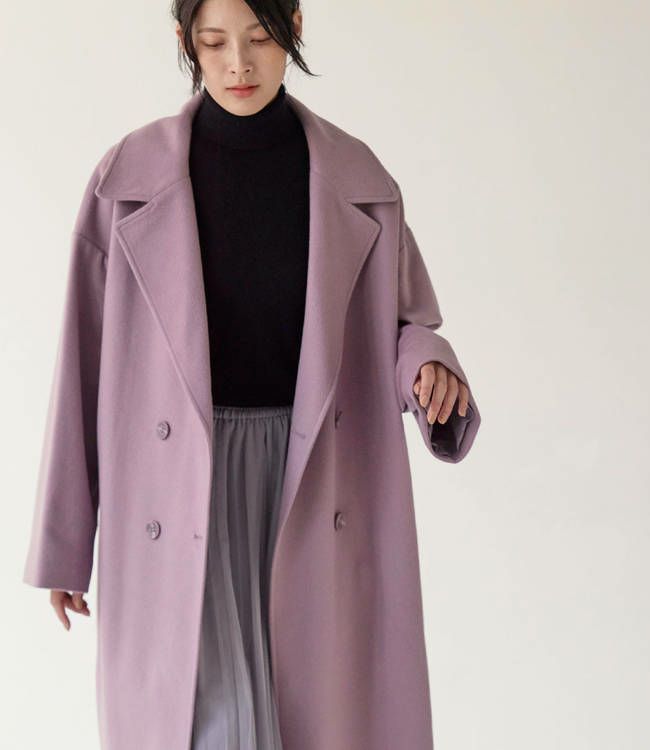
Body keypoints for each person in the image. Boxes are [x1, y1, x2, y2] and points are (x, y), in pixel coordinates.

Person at [24, 0, 475, 748]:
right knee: (208, 724)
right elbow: (82, 362)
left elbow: (404, 323)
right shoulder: (124, 180)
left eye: (260, 38)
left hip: (312, 477)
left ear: (295, 25)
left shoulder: (359, 178)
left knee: (310, 717)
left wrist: (429, 364)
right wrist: (65, 542)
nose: (238, 64)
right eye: (214, 43)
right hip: (179, 484)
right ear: (185, 42)